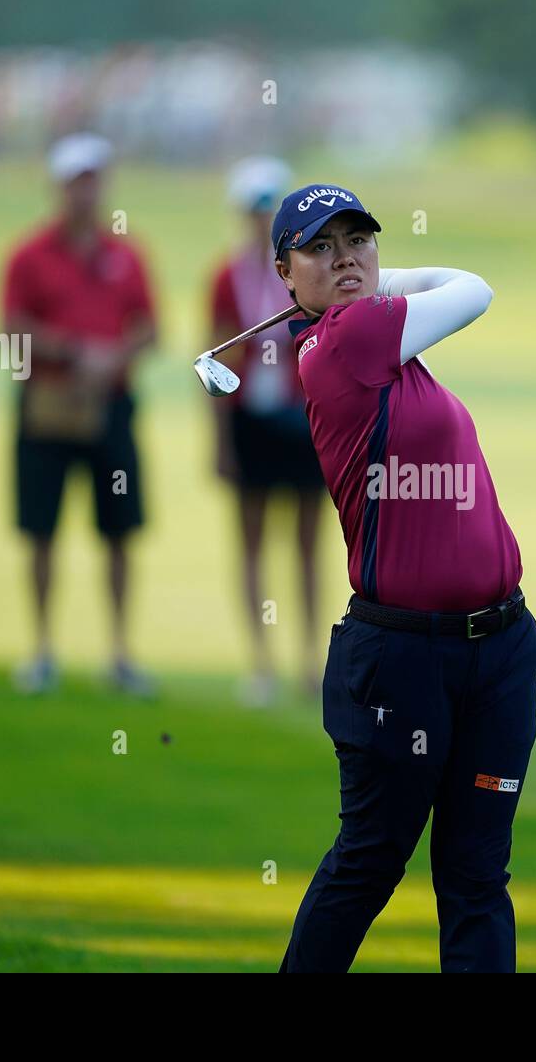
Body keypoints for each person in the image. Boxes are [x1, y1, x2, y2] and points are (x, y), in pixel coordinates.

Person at [270, 184, 536, 973]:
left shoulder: (386, 347)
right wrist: (377, 284)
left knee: (476, 876)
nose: (345, 256)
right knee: (369, 862)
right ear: (286, 275)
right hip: (404, 661)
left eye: (358, 240)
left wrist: (367, 276)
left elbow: (445, 292)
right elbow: (473, 289)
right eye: (320, 247)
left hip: (498, 651)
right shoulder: (348, 342)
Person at [2, 132, 158, 697]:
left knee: (119, 531)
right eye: (76, 181)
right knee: (41, 529)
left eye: (93, 180)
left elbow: (149, 328)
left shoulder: (126, 253)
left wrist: (112, 357)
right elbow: (11, 330)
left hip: (111, 406)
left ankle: (120, 653)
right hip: (46, 408)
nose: (85, 192)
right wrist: (72, 350)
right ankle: (42, 649)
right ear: (58, 187)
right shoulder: (30, 254)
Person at [205, 157, 326, 706]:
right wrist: (220, 439)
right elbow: (216, 360)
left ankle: (309, 662)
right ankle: (261, 664)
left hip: (306, 419)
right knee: (251, 543)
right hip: (252, 418)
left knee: (307, 545)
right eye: (255, 211)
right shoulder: (228, 277)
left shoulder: (310, 272)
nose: (262, 222)